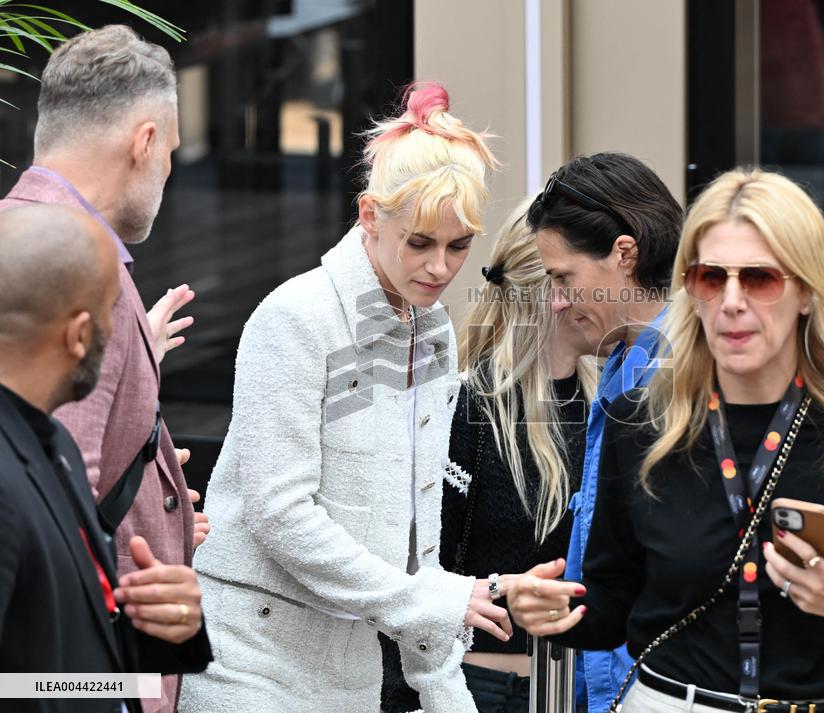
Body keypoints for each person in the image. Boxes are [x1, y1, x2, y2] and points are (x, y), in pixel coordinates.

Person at [509, 168, 824, 713]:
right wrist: (546, 610)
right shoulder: (641, 419)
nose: (732, 301)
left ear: (807, 291)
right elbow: (611, 605)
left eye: (759, 278)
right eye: (712, 278)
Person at [180, 82, 506, 713]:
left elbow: (420, 537)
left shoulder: (431, 330)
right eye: (420, 242)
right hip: (243, 659)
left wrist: (442, 686)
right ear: (369, 215)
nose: (440, 267)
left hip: (348, 671)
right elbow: (280, 513)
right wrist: (430, 604)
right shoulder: (296, 317)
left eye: (459, 245)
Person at [0, 26, 206, 712]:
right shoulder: (80, 272)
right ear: (144, 142)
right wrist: (135, 671)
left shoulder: (22, 234)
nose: (168, 175)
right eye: (172, 155)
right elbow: (63, 514)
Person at [380, 199, 597, 713]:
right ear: (555, 292)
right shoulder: (466, 409)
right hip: (481, 687)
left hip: (586, 685)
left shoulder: (607, 406)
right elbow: (414, 572)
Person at [525, 152, 684, 711]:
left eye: (564, 277)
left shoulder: (681, 377)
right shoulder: (624, 359)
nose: (558, 300)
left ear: (624, 253)